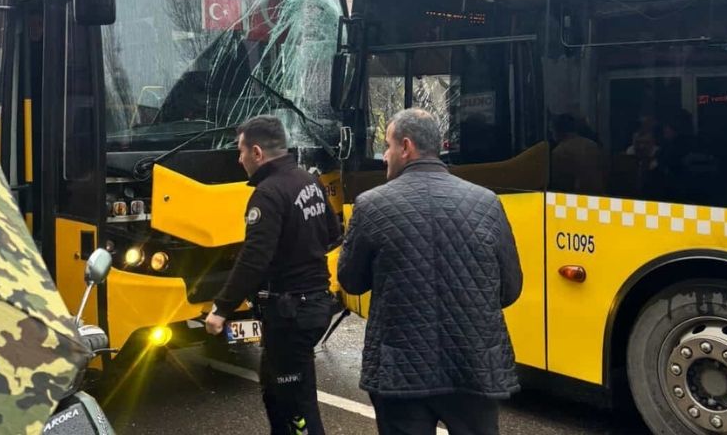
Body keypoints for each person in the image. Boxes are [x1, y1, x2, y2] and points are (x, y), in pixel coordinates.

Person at [338, 108, 523, 435]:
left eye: (387, 146)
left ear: (406, 147)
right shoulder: (486, 202)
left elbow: (351, 281)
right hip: (474, 367)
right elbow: (510, 289)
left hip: (400, 371)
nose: (384, 157)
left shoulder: (371, 204)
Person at [205, 115, 342, 435]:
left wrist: (222, 308)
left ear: (257, 152)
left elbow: (254, 259)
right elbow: (332, 233)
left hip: (291, 312)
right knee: (274, 389)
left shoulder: (267, 193)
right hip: (313, 304)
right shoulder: (309, 181)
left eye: (240, 151)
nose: (239, 160)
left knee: (296, 404)